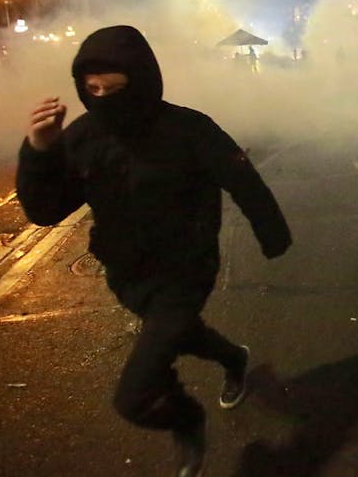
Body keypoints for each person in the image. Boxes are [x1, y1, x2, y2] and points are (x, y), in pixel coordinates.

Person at [16, 25, 292, 477]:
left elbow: (242, 179)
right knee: (179, 335)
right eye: (93, 89)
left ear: (143, 81)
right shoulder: (84, 136)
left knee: (137, 394)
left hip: (186, 269)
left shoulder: (189, 128)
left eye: (117, 88)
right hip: (126, 273)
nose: (104, 97)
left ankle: (186, 419)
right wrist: (38, 153)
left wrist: (272, 234)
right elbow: (45, 210)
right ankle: (233, 358)